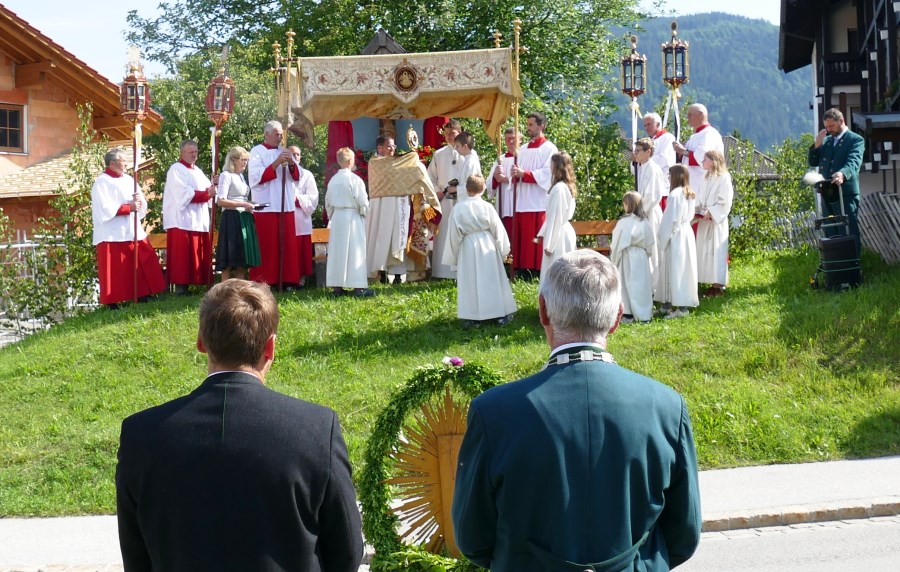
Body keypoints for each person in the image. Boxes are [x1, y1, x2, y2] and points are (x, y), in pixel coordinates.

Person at [452, 249, 701, 572]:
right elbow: (685, 533)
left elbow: (473, 538)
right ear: (616, 318)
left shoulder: (494, 412)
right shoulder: (666, 407)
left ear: (543, 311)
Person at [115, 279, 363, 571]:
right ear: (270, 347)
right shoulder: (317, 429)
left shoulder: (141, 435)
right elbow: (347, 550)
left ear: (201, 341)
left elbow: (137, 557)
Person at [91, 148, 166, 307]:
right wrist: (128, 208)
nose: (126, 164)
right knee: (115, 270)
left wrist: (139, 203)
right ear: (112, 163)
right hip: (112, 232)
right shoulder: (101, 182)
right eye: (122, 160)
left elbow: (141, 204)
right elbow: (104, 208)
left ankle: (143, 293)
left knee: (141, 261)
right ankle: (113, 301)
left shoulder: (129, 179)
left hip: (131, 229)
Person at [443, 174, 516, 326]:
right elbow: (498, 229)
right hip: (487, 244)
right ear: (483, 189)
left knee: (471, 279)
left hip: (468, 245)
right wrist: (504, 250)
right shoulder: (487, 207)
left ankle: (472, 316)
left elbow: (454, 234)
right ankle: (498, 313)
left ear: (467, 189)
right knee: (491, 278)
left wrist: (454, 255)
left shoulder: (459, 208)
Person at [249, 120, 302, 289]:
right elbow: (256, 178)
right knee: (267, 245)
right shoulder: (257, 152)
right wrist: (277, 162)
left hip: (285, 203)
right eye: (277, 134)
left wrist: (292, 163)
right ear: (266, 134)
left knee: (286, 245)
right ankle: (265, 281)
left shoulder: (285, 151)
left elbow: (297, 176)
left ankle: (287, 280)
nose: (280, 137)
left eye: (281, 134)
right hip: (267, 204)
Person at [808, 107, 865, 255]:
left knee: (848, 231)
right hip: (827, 193)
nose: (829, 130)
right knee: (830, 232)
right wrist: (816, 145)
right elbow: (813, 162)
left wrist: (842, 174)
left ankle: (852, 268)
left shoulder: (855, 140)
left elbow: (854, 162)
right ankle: (835, 268)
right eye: (826, 127)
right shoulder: (826, 141)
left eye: (831, 126)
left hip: (845, 193)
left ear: (841, 121)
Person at [162, 140, 215, 294]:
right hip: (181, 219)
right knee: (182, 255)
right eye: (191, 152)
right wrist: (207, 194)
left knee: (197, 252)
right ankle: (181, 287)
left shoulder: (197, 171)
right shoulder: (176, 170)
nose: (194, 155)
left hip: (198, 218)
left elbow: (208, 189)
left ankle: (199, 283)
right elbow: (182, 193)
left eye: (196, 152)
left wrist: (213, 186)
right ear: (182, 152)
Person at [510, 111, 559, 278]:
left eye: (531, 124)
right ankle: (522, 268)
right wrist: (515, 174)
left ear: (541, 126)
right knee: (523, 237)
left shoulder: (549, 148)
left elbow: (548, 173)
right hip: (522, 198)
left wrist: (525, 174)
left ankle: (537, 270)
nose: (528, 127)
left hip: (538, 199)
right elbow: (517, 173)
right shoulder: (521, 149)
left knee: (535, 236)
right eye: (527, 124)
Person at [325, 147, 372, 297]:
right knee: (355, 251)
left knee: (338, 252)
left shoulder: (333, 180)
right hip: (352, 217)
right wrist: (363, 213)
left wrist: (333, 214)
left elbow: (328, 202)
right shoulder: (355, 179)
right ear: (351, 161)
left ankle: (337, 287)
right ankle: (358, 287)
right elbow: (363, 201)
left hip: (338, 218)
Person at [365, 135, 409, 284]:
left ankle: (397, 274)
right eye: (389, 146)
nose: (393, 149)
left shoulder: (396, 162)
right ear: (380, 148)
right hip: (381, 205)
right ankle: (381, 272)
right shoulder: (375, 163)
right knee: (381, 236)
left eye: (394, 146)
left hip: (398, 203)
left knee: (397, 235)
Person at [656, 164, 699, 318]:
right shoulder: (689, 193)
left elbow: (670, 220)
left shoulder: (675, 195)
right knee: (682, 269)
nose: (668, 177)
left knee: (677, 269)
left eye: (670, 174)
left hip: (676, 235)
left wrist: (662, 238)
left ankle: (681, 308)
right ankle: (667, 303)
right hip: (686, 232)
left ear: (675, 176)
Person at [214, 146, 260, 281]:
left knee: (241, 259)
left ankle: (240, 290)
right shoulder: (226, 175)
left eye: (246, 160)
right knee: (229, 257)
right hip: (231, 218)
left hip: (244, 218)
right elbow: (220, 200)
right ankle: (225, 290)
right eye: (243, 159)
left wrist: (251, 203)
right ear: (234, 159)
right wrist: (242, 204)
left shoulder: (241, 177)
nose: (245, 162)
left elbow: (242, 198)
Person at [610, 191, 656, 323]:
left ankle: (628, 313)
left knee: (625, 284)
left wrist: (614, 260)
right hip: (641, 256)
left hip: (626, 256)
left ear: (627, 205)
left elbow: (616, 243)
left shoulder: (623, 223)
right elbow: (650, 242)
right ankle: (644, 314)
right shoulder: (644, 222)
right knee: (641, 286)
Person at [695, 149, 734, 297]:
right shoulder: (706, 177)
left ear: (713, 161)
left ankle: (718, 285)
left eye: (705, 159)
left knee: (716, 251)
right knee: (704, 252)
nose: (702, 162)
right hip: (704, 221)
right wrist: (696, 209)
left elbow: (725, 201)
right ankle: (706, 281)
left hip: (716, 222)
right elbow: (700, 198)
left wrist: (711, 212)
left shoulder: (724, 177)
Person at [428, 119, 463, 279]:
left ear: (459, 133)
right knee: (442, 235)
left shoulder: (466, 154)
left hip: (461, 199)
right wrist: (437, 191)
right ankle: (441, 272)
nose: (449, 136)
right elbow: (430, 177)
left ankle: (460, 270)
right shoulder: (439, 154)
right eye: (447, 133)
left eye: (453, 133)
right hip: (443, 200)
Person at [534, 151, 576, 282]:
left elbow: (556, 217)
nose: (550, 167)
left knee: (558, 274)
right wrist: (542, 233)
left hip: (559, 235)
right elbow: (553, 215)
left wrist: (549, 245)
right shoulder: (564, 187)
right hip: (561, 231)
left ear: (557, 166)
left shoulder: (559, 189)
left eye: (551, 164)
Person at [633, 137, 666, 291]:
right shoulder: (641, 166)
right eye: (635, 150)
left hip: (649, 213)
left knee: (652, 250)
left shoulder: (652, 169)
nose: (635, 154)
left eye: (638, 151)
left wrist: (639, 211)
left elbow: (652, 196)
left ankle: (654, 287)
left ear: (649, 152)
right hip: (642, 213)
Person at [673, 103, 724, 193]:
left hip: (702, 185)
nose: (687, 118)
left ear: (701, 114)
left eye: (690, 115)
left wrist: (683, 151)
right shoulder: (695, 136)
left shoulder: (709, 134)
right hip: (691, 184)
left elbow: (702, 158)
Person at [290, 145, 319, 286]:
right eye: (292, 154)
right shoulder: (282, 173)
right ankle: (288, 279)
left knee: (301, 253)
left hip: (301, 217)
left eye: (298, 154)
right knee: (290, 252)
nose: (295, 157)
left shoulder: (307, 175)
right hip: (287, 218)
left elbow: (313, 197)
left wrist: (296, 199)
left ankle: (301, 280)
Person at [487, 126, 520, 237]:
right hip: (504, 205)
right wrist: (495, 178)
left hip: (520, 204)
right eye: (507, 139)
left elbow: (525, 177)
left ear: (520, 139)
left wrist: (505, 179)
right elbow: (489, 184)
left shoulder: (524, 156)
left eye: (513, 138)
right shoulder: (501, 159)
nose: (510, 141)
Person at [643, 112, 676, 210]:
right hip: (647, 187)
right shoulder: (645, 142)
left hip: (662, 186)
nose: (646, 127)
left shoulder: (667, 138)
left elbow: (664, 160)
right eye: (645, 125)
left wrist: (644, 159)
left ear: (657, 124)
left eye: (649, 124)